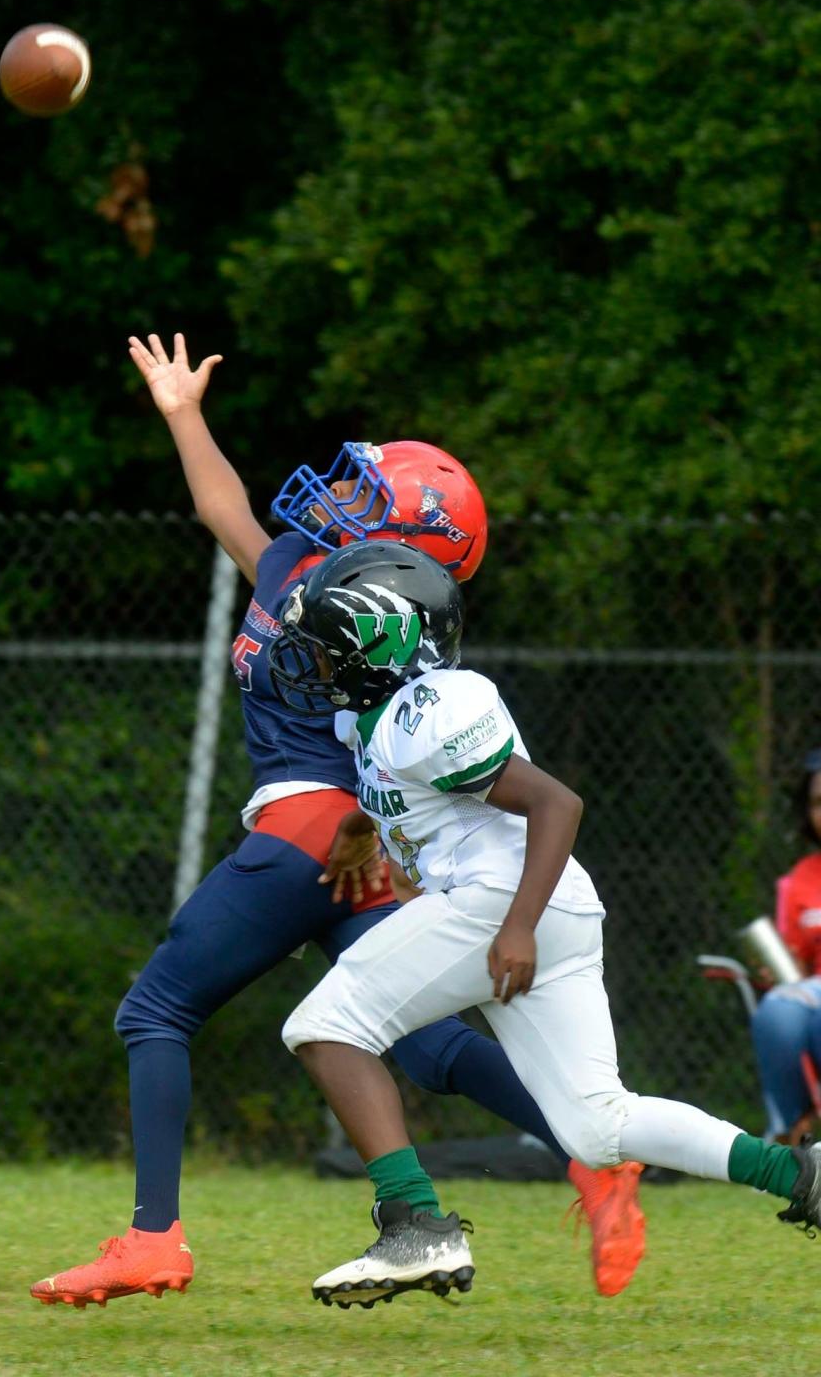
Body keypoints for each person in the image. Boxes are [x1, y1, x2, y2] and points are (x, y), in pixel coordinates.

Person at [29, 334, 644, 1310]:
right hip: (358, 850)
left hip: (306, 830)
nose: (340, 502)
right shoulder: (317, 581)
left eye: (370, 500)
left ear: (412, 547)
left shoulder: (361, 618)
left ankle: (153, 1240)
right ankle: (594, 1163)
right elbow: (222, 508)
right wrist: (185, 415)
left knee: (155, 1012)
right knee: (429, 1048)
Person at [272, 541, 821, 1307]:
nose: (317, 666)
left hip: (507, 901)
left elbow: (555, 803)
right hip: (544, 904)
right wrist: (366, 832)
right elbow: (416, 796)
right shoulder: (380, 720)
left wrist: (517, 927)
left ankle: (415, 1222)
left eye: (330, 650)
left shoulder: (430, 713)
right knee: (598, 1127)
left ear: (376, 646)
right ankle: (799, 1174)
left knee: (326, 1026)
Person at [750, 747, 821, 1145]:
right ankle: (790, 1139)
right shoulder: (800, 880)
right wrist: (776, 969)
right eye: (817, 803)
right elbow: (794, 968)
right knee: (778, 1012)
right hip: (814, 997)